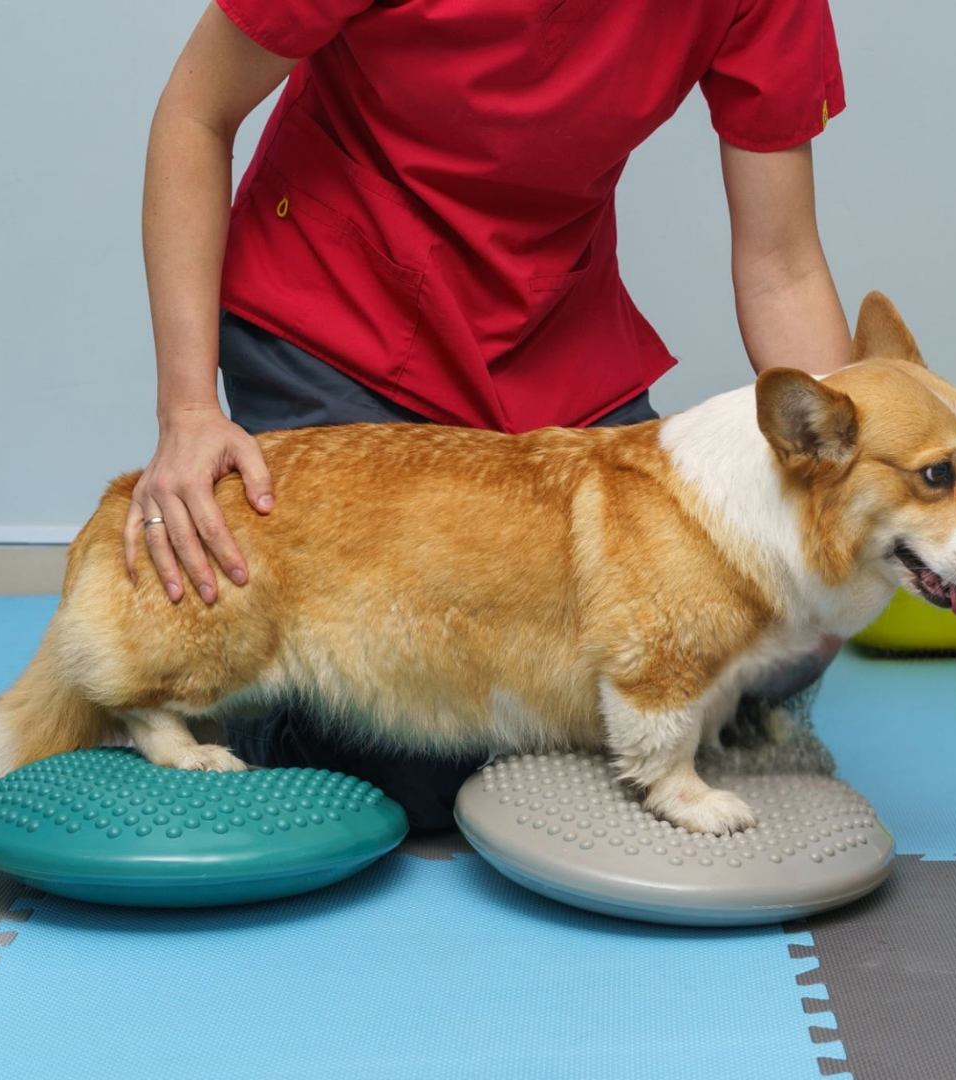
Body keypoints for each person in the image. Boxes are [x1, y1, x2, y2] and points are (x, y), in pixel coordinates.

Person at [124, 0, 851, 830]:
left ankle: (726, 722)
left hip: (552, 343)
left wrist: (848, 489)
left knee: (725, 616)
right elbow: (196, 112)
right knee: (422, 768)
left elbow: (783, 263)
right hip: (341, 312)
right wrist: (188, 408)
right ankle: (263, 702)